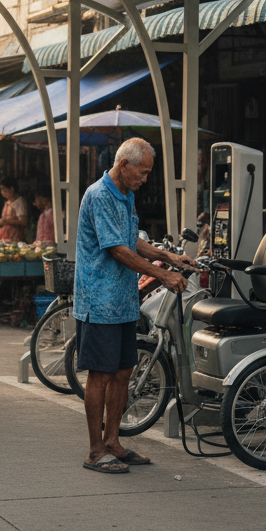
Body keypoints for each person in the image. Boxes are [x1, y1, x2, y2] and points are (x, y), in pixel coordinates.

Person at [74, 137, 194, 474]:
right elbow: (118, 250)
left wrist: (167, 256)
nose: (144, 180)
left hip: (123, 301)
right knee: (100, 374)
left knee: (124, 370)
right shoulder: (99, 195)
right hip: (99, 300)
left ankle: (113, 440)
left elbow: (132, 240)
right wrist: (163, 275)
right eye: (141, 173)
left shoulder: (126, 195)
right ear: (124, 165)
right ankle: (96, 451)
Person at [0, 177, 27, 241]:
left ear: (11, 188)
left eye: (4, 189)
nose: (2, 192)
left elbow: (23, 222)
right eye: (1, 190)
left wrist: (6, 221)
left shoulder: (19, 201)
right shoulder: (7, 202)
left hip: (15, 238)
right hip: (5, 238)